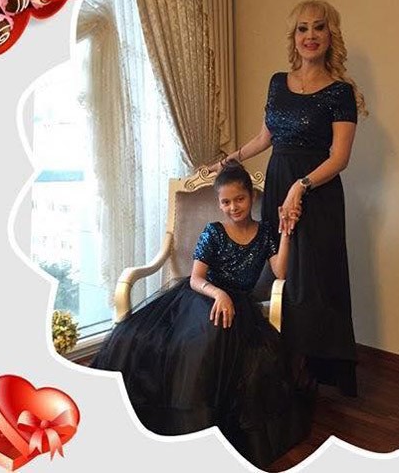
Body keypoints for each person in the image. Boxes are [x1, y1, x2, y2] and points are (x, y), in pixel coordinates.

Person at [91, 161, 315, 468]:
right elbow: (196, 279)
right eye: (226, 202)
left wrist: (285, 233)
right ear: (219, 203)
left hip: (240, 305)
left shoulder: (265, 233)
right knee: (196, 336)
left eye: (239, 199)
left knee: (242, 347)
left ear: (251, 197)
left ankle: (210, 428)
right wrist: (219, 294)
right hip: (203, 296)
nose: (233, 207)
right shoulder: (214, 232)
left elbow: (281, 271)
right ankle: (181, 426)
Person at [212, 0, 366, 397]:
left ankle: (310, 373)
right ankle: (277, 368)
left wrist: (301, 186)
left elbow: (340, 158)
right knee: (281, 272)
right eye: (302, 28)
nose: (310, 35)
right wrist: (228, 161)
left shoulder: (341, 92)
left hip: (318, 192)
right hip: (280, 182)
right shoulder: (277, 83)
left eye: (319, 27)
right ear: (294, 37)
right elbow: (265, 138)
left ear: (331, 36)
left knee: (313, 282)